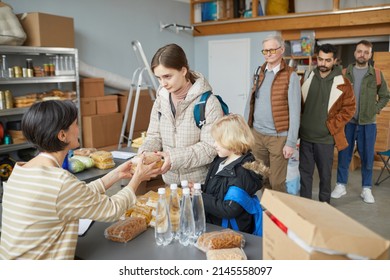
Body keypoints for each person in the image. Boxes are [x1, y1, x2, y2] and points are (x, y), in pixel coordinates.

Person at [0, 100, 160, 260]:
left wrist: (116, 174)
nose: (79, 128)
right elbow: (113, 209)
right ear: (62, 135)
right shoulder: (59, 181)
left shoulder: (21, 170)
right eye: (75, 124)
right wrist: (138, 177)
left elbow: (75, 195)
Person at [138, 43, 224, 185]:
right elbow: (154, 136)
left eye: (167, 76)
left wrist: (173, 158)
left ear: (183, 70)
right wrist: (145, 153)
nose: (163, 83)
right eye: (159, 78)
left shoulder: (209, 103)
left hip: (199, 185)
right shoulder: (160, 101)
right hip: (170, 182)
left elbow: (209, 148)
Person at [332, 40, 390, 204]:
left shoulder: (376, 74)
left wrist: (375, 109)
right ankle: (341, 185)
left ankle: (366, 189)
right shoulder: (344, 73)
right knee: (344, 155)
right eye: (359, 51)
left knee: (367, 157)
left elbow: (385, 95)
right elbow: (335, 96)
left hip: (368, 123)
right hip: (348, 122)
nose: (362, 54)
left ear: (370, 55)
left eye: (366, 52)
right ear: (355, 53)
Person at [244, 33, 301, 193]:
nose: (268, 54)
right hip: (257, 135)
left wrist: (290, 143)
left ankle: (278, 214)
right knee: (261, 177)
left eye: (272, 50)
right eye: (265, 51)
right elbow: (250, 102)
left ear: (281, 50)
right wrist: (246, 131)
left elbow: (295, 112)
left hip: (278, 137)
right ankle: (267, 211)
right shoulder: (259, 73)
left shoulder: (291, 76)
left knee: (277, 182)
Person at [299, 43, 356, 203]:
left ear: (335, 60)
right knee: (305, 174)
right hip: (305, 137)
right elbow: (299, 104)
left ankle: (324, 206)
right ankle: (305, 206)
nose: (323, 64)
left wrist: (331, 126)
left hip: (326, 139)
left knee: (325, 176)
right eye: (320, 59)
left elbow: (349, 109)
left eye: (327, 60)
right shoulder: (308, 76)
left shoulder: (343, 82)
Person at [200, 114, 269, 234]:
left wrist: (200, 197)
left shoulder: (242, 173)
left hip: (229, 231)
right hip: (214, 224)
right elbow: (218, 189)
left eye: (218, 141)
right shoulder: (220, 161)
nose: (214, 144)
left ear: (232, 140)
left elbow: (229, 209)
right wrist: (197, 189)